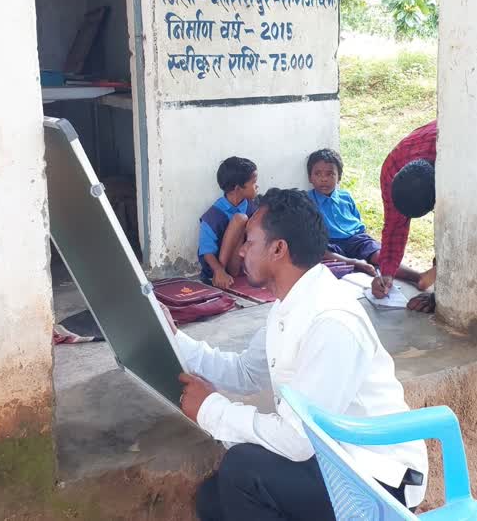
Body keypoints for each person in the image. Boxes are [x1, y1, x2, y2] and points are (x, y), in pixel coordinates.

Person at [164, 188, 428, 520]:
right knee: (213, 501)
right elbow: (246, 372)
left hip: (377, 475)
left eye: (249, 240)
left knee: (243, 470)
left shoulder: (331, 322)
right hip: (332, 456)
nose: (242, 251)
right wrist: (173, 338)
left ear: (278, 248)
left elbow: (297, 440)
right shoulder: (289, 305)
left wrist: (212, 409)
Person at [305, 148, 422, 283]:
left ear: (339, 177)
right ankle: (354, 263)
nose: (324, 179)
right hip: (331, 243)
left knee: (382, 255)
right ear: (310, 178)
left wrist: (364, 241)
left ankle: (418, 277)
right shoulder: (307, 200)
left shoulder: (345, 196)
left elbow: (356, 219)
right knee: (318, 253)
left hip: (356, 239)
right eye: (318, 174)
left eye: (330, 174)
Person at [372, 121, 437, 312]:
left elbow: (459, 232)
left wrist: (439, 293)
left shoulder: (461, 168)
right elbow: (394, 227)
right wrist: (387, 273)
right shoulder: (392, 169)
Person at [198, 156, 258, 288]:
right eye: (253, 183)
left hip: (247, 264)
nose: (257, 186)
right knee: (240, 219)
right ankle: (220, 276)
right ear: (237, 188)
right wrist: (219, 270)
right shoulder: (212, 216)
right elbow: (206, 251)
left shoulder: (255, 207)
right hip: (224, 267)